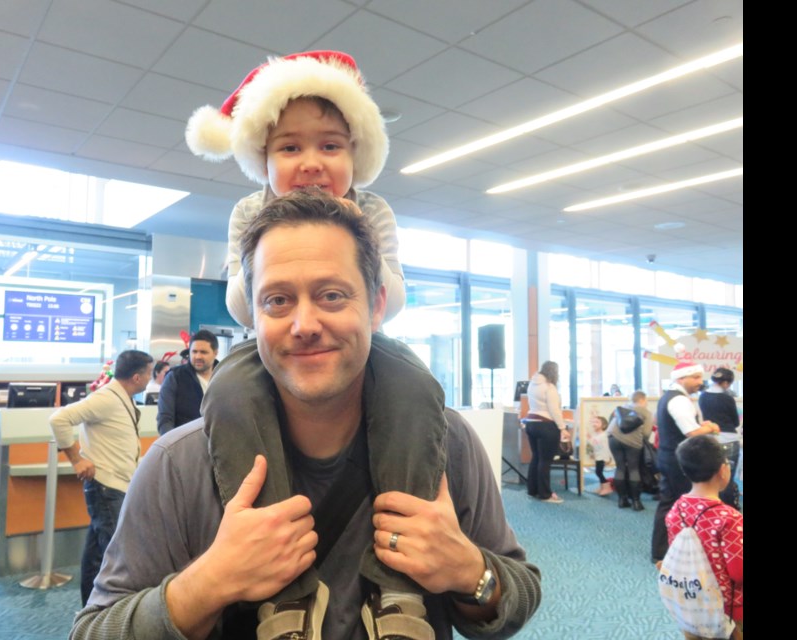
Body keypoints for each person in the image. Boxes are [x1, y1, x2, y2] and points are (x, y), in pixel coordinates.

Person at [71, 191, 541, 640]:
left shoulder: (446, 443)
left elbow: (519, 596)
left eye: (332, 295)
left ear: (376, 305)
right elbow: (95, 630)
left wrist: (470, 572)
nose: (305, 325)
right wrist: (210, 581)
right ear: (252, 318)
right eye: (278, 300)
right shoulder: (179, 464)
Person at [186, 49, 451, 624]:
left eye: (330, 146)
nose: (311, 162)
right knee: (228, 392)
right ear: (262, 158)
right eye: (290, 147)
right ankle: (284, 584)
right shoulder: (249, 212)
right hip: (267, 352)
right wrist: (277, 251)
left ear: (357, 154)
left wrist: (348, 244)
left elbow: (392, 298)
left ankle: (397, 577)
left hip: (363, 346)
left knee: (414, 383)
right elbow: (243, 305)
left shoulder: (371, 210)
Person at [49, 349, 155, 606]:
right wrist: (77, 459)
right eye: (150, 374)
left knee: (97, 555)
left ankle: (91, 611)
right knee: (118, 558)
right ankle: (110, 616)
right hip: (107, 489)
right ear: (137, 377)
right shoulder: (106, 398)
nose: (151, 379)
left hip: (117, 486)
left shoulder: (122, 397)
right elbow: (59, 419)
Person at [665, 435, 743, 639]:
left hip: (689, 601)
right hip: (726, 610)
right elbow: (738, 572)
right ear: (723, 470)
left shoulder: (676, 510)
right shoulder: (729, 517)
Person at [651, 361, 721, 564]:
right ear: (681, 378)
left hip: (669, 456)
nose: (700, 381)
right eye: (696, 377)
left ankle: (665, 550)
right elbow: (691, 432)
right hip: (676, 460)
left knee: (671, 503)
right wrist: (711, 428)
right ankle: (664, 551)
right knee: (676, 505)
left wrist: (702, 426)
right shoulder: (679, 400)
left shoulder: (670, 397)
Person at [524, 361, 572, 504]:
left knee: (536, 458)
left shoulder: (532, 384)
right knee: (545, 461)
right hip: (546, 426)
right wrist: (562, 428)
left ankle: (532, 490)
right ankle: (545, 494)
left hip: (531, 424)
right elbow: (554, 410)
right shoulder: (549, 388)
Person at [157, 330, 219, 436]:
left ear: (215, 353)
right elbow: (165, 419)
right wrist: (173, 447)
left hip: (218, 443)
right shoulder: (175, 377)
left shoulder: (223, 376)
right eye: (194, 351)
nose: (198, 356)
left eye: (203, 352)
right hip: (185, 446)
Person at [697, 367, 741, 508]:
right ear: (727, 383)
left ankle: (713, 508)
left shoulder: (702, 396)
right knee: (726, 478)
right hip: (729, 439)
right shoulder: (727, 398)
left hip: (710, 439)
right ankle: (728, 510)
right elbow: (735, 422)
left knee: (712, 477)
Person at [607, 391, 655, 511]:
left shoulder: (621, 408)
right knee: (634, 469)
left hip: (613, 438)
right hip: (633, 442)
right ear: (643, 400)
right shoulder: (646, 413)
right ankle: (636, 502)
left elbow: (611, 422)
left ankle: (622, 500)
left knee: (620, 467)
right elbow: (646, 434)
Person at [587, 415, 613, 496]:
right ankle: (602, 487)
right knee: (598, 471)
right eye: (593, 422)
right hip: (598, 456)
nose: (594, 424)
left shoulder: (603, 435)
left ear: (604, 425)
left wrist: (590, 439)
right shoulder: (597, 435)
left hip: (602, 457)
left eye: (597, 422)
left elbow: (598, 445)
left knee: (598, 472)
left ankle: (607, 487)